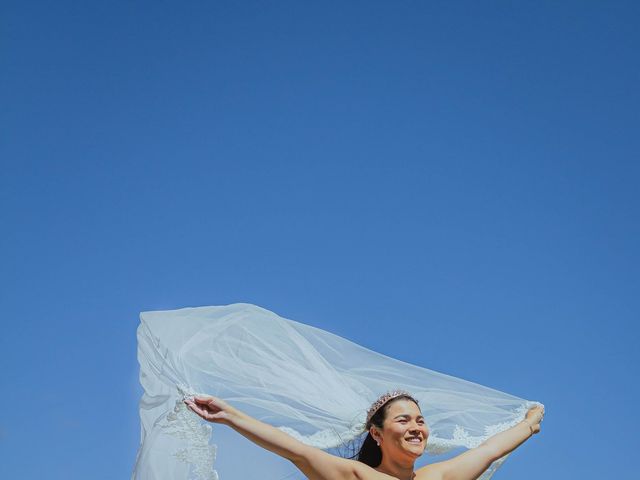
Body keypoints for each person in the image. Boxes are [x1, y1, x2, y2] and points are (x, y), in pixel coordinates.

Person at [185, 390, 544, 480]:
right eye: (403, 421)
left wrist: (530, 423)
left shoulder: (441, 476)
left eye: (420, 420)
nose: (416, 427)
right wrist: (231, 416)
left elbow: (490, 450)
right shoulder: (357, 476)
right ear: (376, 433)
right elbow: (296, 451)